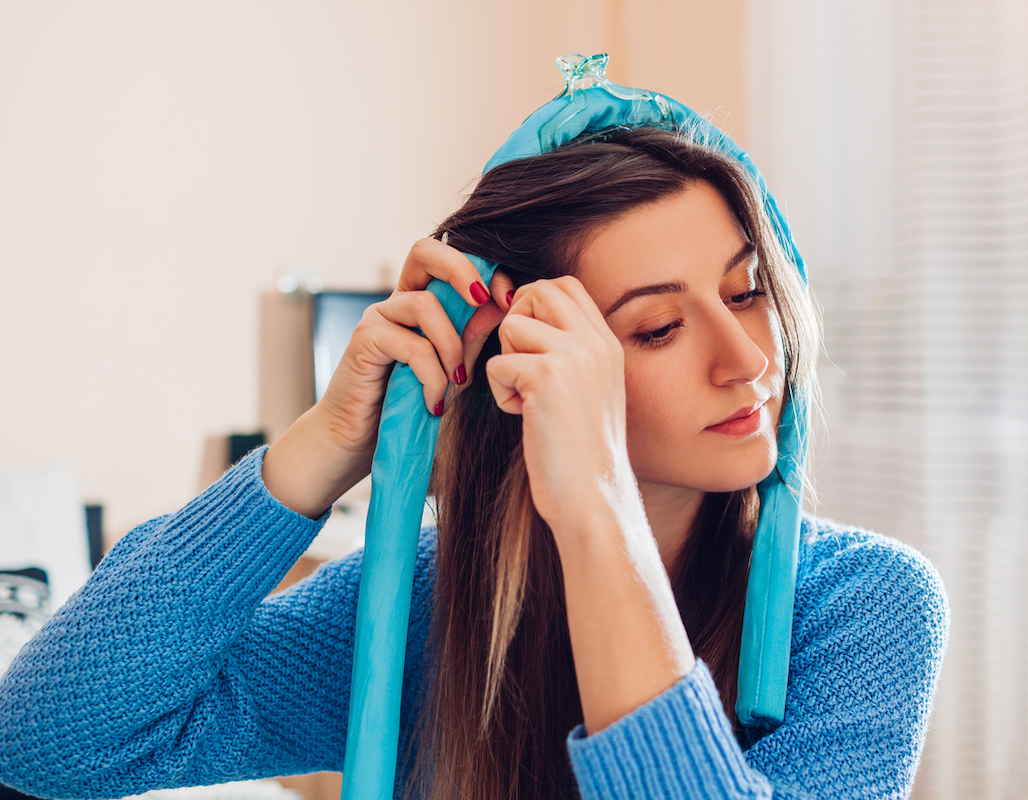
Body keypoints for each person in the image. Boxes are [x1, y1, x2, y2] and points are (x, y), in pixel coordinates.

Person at [0, 125, 948, 799]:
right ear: (519, 372)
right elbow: (48, 741)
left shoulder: (863, 605)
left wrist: (598, 513)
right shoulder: (428, 603)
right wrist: (326, 446)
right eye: (658, 326)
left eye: (746, 292)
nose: (747, 358)